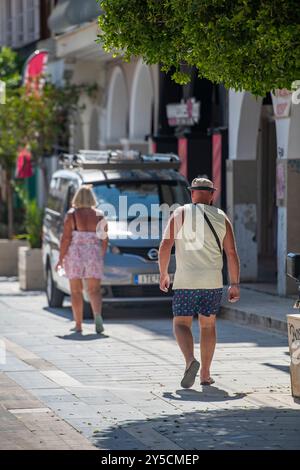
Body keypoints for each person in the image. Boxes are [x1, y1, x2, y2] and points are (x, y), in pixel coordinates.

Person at [159, 177, 240, 388]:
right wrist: (235, 283)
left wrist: (163, 273)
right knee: (208, 325)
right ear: (212, 194)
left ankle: (189, 361)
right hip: (212, 282)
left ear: (192, 193)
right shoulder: (222, 217)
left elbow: (166, 244)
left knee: (181, 323)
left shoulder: (181, 212)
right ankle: (205, 373)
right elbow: (231, 253)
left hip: (186, 281)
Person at [56, 185, 108, 334]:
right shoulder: (99, 215)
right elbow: (104, 239)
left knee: (76, 291)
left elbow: (66, 239)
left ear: (76, 198)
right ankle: (97, 316)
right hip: (93, 254)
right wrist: (100, 255)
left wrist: (60, 259)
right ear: (92, 198)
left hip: (75, 255)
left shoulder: (72, 215)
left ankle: (78, 325)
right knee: (94, 290)